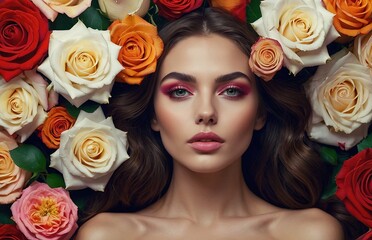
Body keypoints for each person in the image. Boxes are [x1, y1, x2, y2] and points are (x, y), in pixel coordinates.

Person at [76, 7, 347, 240]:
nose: (206, 112)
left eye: (231, 91)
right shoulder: (106, 235)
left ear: (260, 113)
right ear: (154, 114)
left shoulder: (310, 233)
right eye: (180, 91)